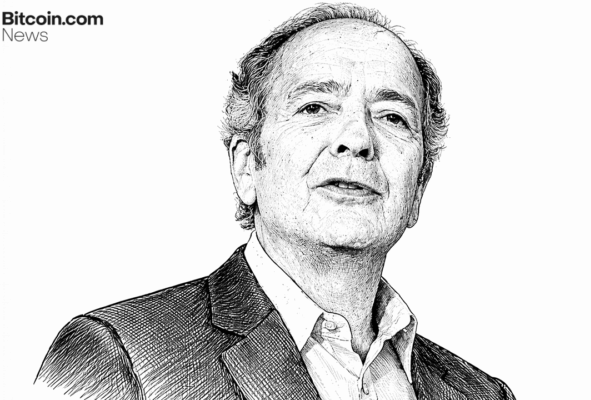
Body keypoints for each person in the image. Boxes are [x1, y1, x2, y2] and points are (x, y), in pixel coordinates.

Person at [36, 4, 515, 400]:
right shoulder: (119, 355)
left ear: (418, 189)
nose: (357, 139)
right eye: (314, 107)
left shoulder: (482, 393)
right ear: (247, 167)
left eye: (392, 117)